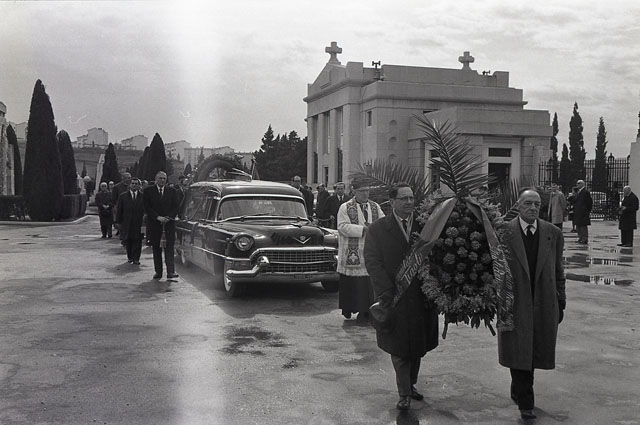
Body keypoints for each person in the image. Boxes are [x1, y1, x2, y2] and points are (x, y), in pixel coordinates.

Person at [363, 183, 439, 411]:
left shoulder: (425, 227)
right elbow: (373, 262)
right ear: (392, 202)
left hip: (421, 296)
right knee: (399, 349)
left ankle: (411, 384)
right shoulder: (378, 229)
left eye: (411, 198)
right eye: (404, 198)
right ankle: (404, 392)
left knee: (417, 346)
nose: (409, 202)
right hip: (394, 297)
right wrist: (386, 291)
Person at [498, 188, 566, 420]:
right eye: (528, 203)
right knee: (518, 347)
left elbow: (558, 270)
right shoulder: (503, 232)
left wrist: (561, 299)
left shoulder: (552, 233)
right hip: (514, 301)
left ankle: (519, 390)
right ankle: (526, 402)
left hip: (543, 301)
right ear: (518, 205)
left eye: (537, 204)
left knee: (533, 348)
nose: (533, 208)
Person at [336, 181, 384, 321]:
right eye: (362, 191)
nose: (365, 194)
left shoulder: (375, 207)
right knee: (354, 284)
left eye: (367, 190)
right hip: (352, 252)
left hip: (370, 251)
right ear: (354, 191)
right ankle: (350, 308)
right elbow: (342, 226)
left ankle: (366, 312)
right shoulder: (345, 207)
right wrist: (363, 230)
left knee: (367, 284)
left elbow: (383, 223)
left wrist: (376, 230)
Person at [143, 171, 180, 280]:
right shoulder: (148, 191)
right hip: (155, 224)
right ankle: (158, 272)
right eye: (160, 178)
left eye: (164, 178)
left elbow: (176, 206)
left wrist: (169, 217)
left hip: (168, 224)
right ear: (156, 179)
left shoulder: (172, 191)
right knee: (156, 249)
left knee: (169, 248)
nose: (162, 180)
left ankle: (171, 272)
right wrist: (157, 217)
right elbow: (147, 207)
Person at [115, 178, 145, 264]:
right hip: (126, 222)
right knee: (128, 240)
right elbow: (119, 210)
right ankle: (130, 257)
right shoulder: (123, 196)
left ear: (139, 186)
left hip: (139, 222)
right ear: (130, 185)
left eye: (136, 184)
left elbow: (146, 209)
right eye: (133, 183)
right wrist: (118, 222)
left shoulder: (143, 196)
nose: (134, 185)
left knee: (138, 240)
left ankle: (136, 258)